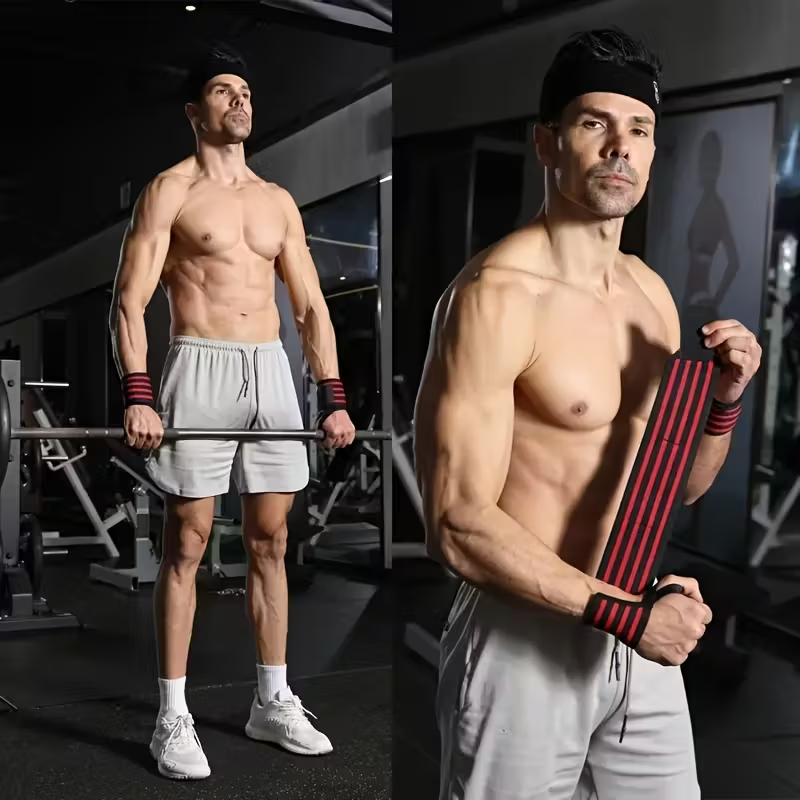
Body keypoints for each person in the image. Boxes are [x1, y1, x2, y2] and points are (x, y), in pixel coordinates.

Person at [414, 29, 761, 800]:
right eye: (594, 123)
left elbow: (679, 489)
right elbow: (457, 522)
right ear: (548, 142)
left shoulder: (651, 295)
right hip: (522, 640)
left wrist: (723, 406)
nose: (619, 147)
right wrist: (626, 617)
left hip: (635, 624)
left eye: (638, 129)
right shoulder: (495, 297)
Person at [109, 45, 355, 781]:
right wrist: (140, 392)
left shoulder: (276, 200)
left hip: (270, 369)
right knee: (186, 542)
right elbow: (129, 298)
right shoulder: (170, 191)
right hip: (200, 360)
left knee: (272, 541)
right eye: (223, 90)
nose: (240, 101)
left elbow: (310, 306)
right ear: (196, 112)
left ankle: (271, 700)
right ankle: (172, 716)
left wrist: (334, 395)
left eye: (246, 90)